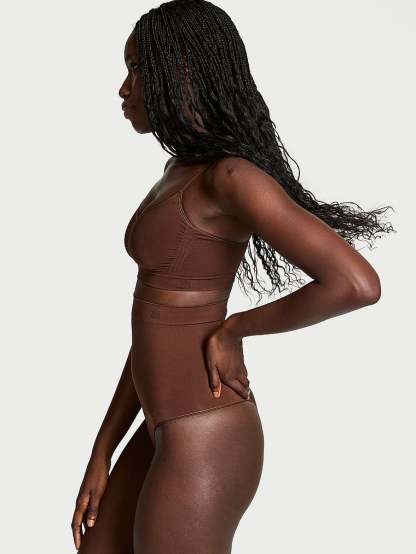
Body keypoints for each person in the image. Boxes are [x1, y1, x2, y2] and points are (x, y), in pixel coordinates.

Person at [71, 1, 394, 552]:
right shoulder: (179, 171)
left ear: (180, 72)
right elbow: (153, 331)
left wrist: (236, 328)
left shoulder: (231, 178)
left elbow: (357, 283)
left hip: (205, 435)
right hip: (160, 427)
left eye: (137, 69)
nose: (124, 88)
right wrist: (102, 450)